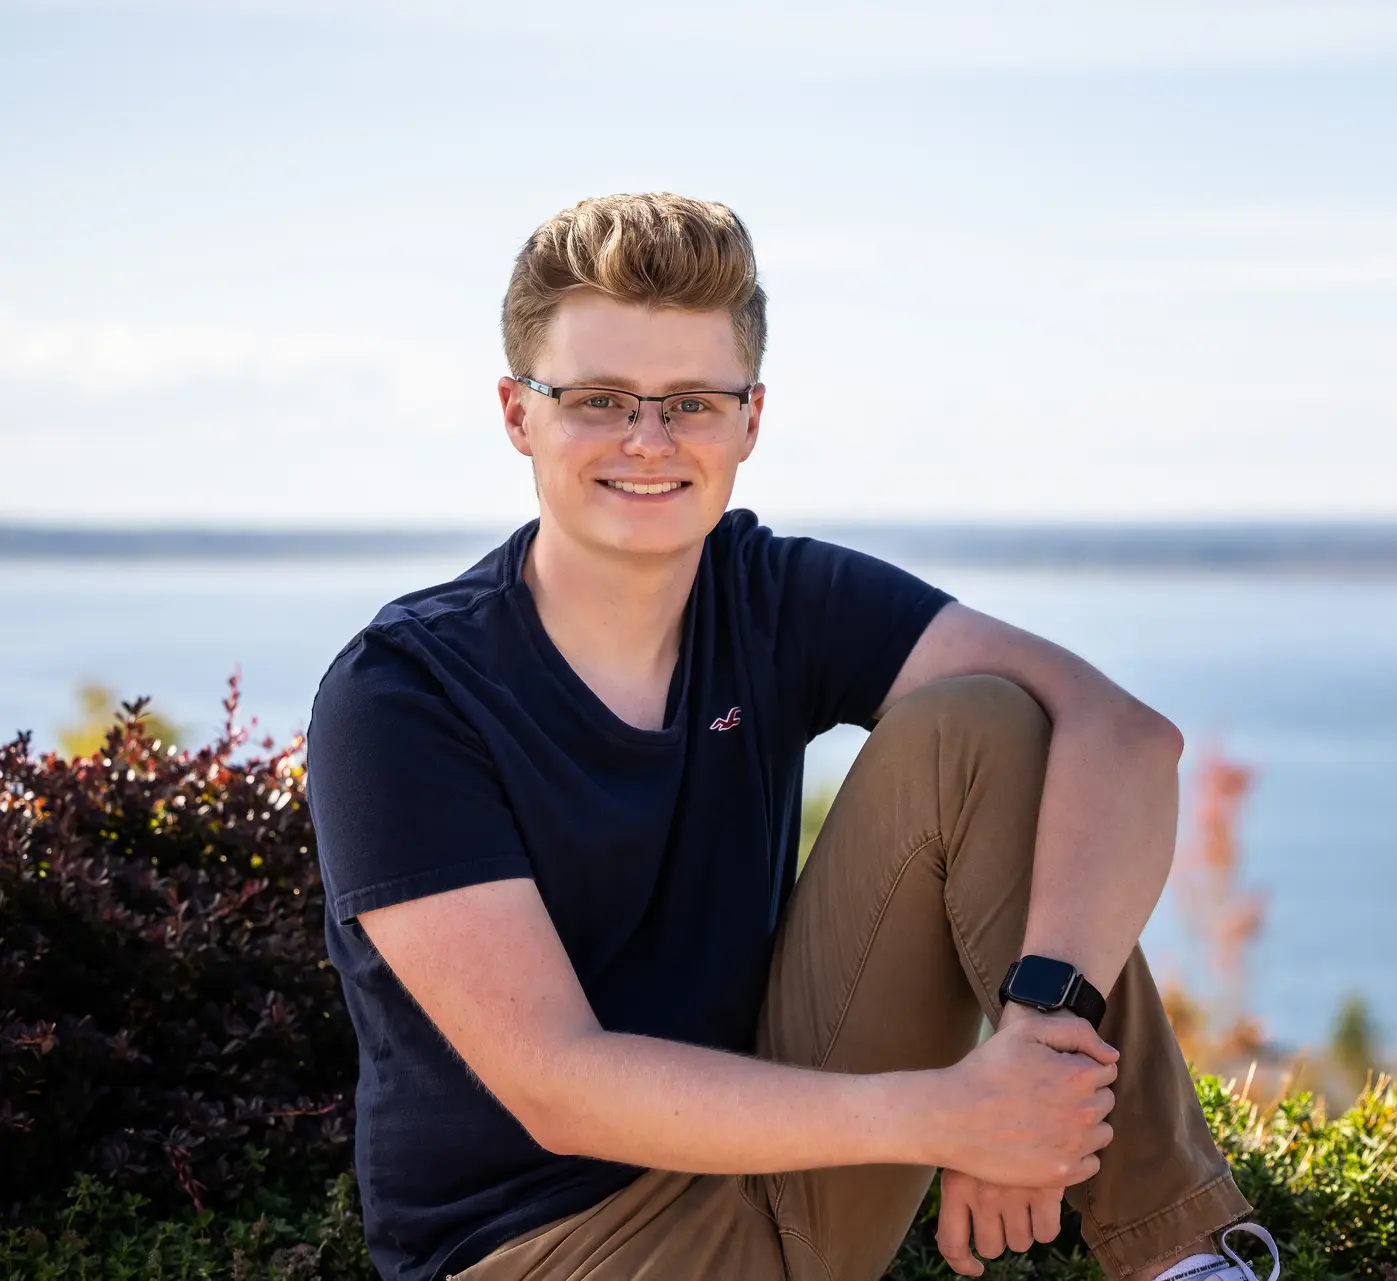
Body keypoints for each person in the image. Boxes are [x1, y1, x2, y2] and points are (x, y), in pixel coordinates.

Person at [306, 192, 1276, 1281]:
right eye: (597, 398)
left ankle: (1185, 1263)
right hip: (540, 1256)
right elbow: (558, 1087)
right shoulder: (401, 696)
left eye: (692, 403)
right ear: (516, 413)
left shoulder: (775, 597)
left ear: (751, 420)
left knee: (984, 725)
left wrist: (1037, 1052)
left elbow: (1123, 734)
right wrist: (953, 1118)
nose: (648, 439)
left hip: (785, 1182)